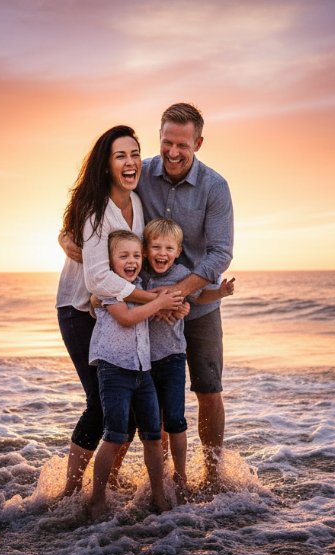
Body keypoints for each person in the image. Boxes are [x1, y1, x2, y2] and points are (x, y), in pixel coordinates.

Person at [61, 103, 234, 491]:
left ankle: (214, 477)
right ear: (160, 138)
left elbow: (220, 252)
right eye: (167, 142)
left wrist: (179, 293)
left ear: (198, 143)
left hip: (194, 299)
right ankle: (123, 481)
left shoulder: (215, 187)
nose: (173, 152)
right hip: (145, 301)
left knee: (208, 389)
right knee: (141, 393)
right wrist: (64, 234)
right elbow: (96, 202)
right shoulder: (140, 174)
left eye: (183, 145)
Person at [55, 125, 184, 498]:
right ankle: (70, 492)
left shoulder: (137, 202)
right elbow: (96, 280)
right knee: (100, 404)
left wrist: (167, 295)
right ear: (106, 164)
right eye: (119, 156)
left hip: (114, 313)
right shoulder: (96, 210)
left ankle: (106, 485)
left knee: (124, 409)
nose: (129, 163)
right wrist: (155, 301)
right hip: (80, 310)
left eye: (134, 154)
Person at [86, 230, 180, 518]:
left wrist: (176, 304)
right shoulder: (108, 288)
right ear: (110, 261)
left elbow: (160, 305)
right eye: (123, 256)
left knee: (153, 435)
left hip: (143, 371)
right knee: (115, 435)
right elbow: (126, 318)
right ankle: (97, 498)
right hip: (114, 370)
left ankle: (159, 495)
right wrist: (159, 303)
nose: (132, 261)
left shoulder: (140, 287)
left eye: (136, 255)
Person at [142, 218, 235, 503]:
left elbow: (201, 295)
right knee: (153, 421)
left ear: (178, 251)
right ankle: (157, 479)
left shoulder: (183, 273)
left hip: (172, 358)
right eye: (156, 246)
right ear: (146, 250)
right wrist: (159, 302)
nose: (162, 253)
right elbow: (129, 300)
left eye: (168, 247)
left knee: (176, 420)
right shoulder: (142, 277)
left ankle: (180, 476)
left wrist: (220, 292)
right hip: (145, 360)